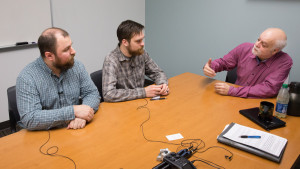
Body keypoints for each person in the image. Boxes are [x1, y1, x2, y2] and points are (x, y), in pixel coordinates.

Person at [16, 27, 100, 130]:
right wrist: (73, 111)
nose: (73, 51)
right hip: (45, 136)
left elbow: (91, 93)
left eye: (71, 46)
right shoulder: (27, 77)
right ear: (49, 56)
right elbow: (30, 118)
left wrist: (83, 115)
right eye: (66, 49)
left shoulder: (77, 66)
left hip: (76, 129)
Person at [203, 28, 293, 98]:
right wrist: (210, 67)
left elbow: (269, 89)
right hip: (232, 99)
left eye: (263, 44)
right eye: (258, 40)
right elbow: (224, 62)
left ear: (274, 51)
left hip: (257, 104)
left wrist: (233, 91)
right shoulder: (244, 48)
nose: (257, 44)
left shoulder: (285, 61)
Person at [102, 20, 169, 102]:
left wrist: (162, 84)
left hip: (142, 103)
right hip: (123, 107)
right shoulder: (111, 60)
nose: (143, 44)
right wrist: (143, 92)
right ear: (125, 42)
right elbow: (108, 94)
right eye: (138, 41)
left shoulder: (141, 53)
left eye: (142, 39)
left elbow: (158, 72)